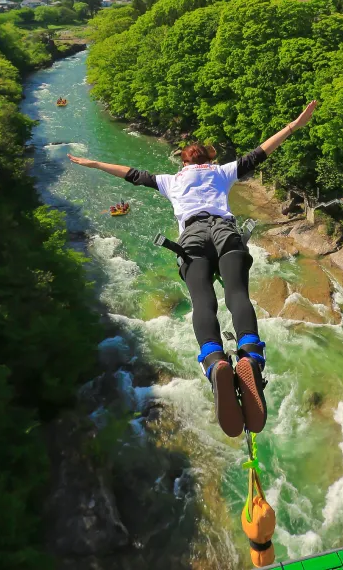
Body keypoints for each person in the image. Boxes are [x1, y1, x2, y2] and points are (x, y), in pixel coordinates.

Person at [68, 100, 318, 438]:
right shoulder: (222, 172)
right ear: (209, 159)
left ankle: (215, 362)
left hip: (192, 239)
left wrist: (94, 163)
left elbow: (130, 173)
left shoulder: (170, 181)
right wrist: (294, 125)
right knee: (237, 294)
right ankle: (251, 357)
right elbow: (261, 152)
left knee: (203, 304)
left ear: (184, 161)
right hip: (224, 232)